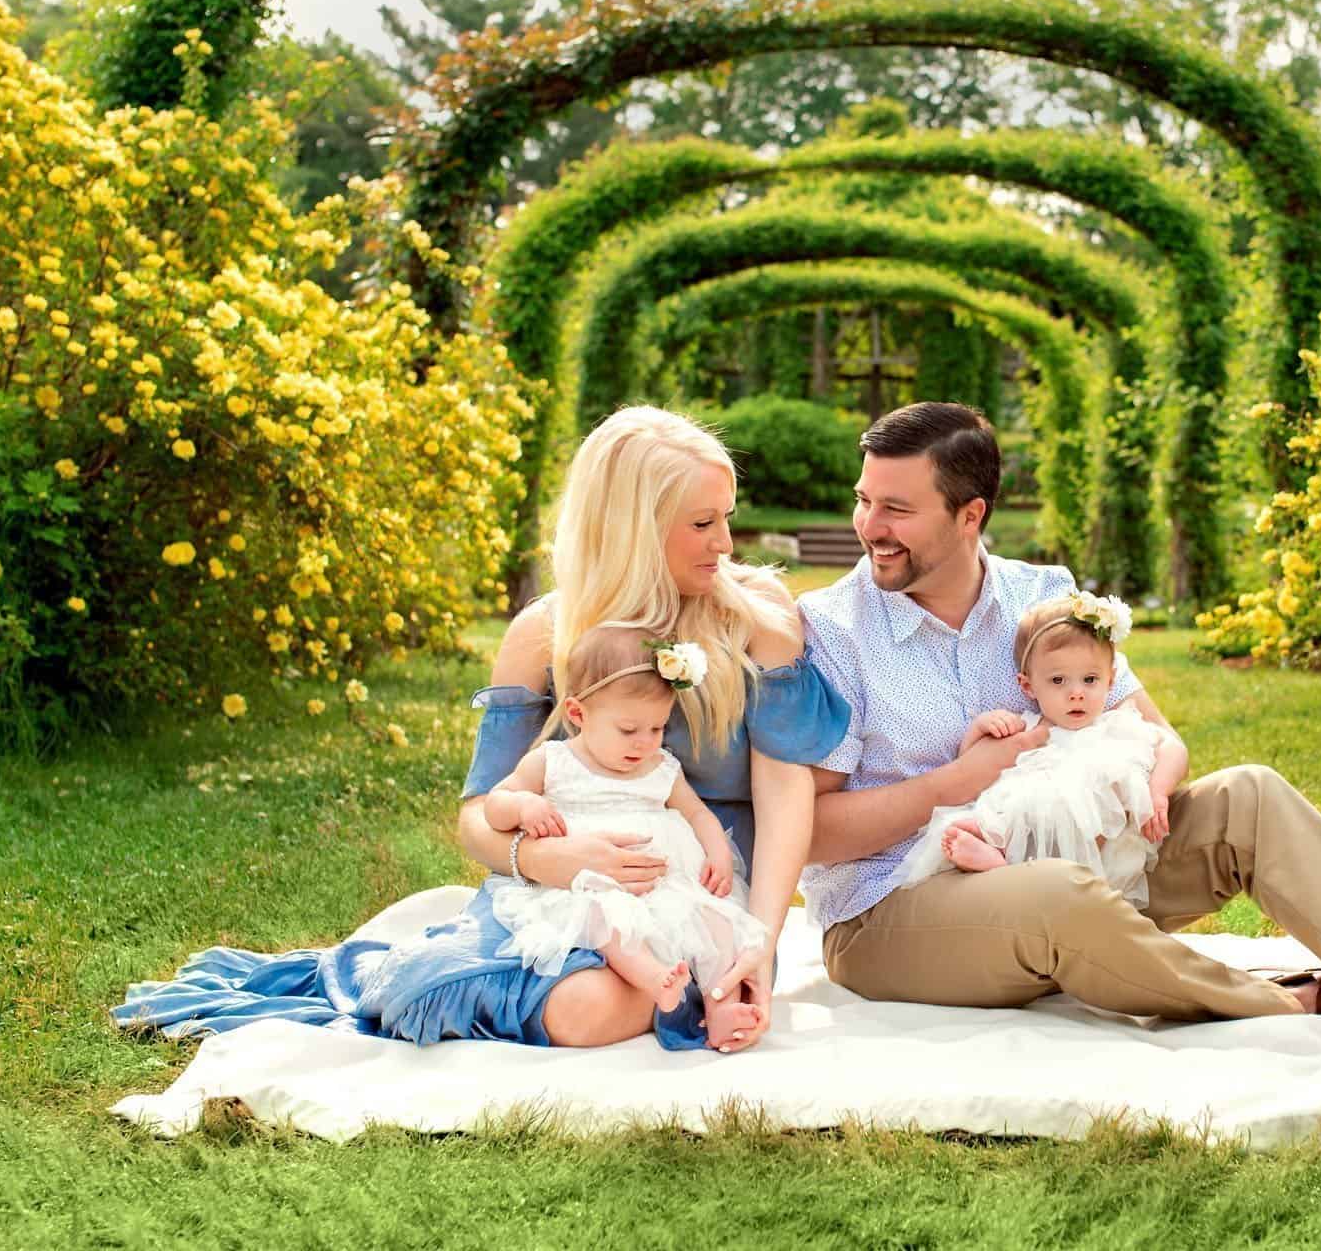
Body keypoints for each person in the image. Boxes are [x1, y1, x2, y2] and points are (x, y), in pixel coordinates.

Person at [798, 401, 1321, 1083]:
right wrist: (955, 781)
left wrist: (1146, 797)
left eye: (895, 507)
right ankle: (1301, 1003)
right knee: (1056, 893)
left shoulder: (1044, 593)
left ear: (970, 513)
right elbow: (811, 831)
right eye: (866, 500)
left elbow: (1160, 737)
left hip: (1091, 854)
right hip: (891, 913)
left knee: (1252, 795)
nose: (870, 523)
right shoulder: (833, 628)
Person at [115, 407, 848, 1056]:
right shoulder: (545, 634)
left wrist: (762, 940)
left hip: (706, 896)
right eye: (701, 523)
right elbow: (477, 817)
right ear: (632, 527)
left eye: (726, 516)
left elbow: (786, 798)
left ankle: (667, 988)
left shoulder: (754, 617)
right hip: (573, 889)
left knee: (644, 998)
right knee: (580, 1006)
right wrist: (553, 859)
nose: (725, 541)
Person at [481, 622, 766, 1047]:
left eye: (657, 729)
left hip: (663, 886)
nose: (645, 743)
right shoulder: (554, 761)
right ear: (578, 715)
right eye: (629, 730)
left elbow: (697, 813)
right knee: (606, 918)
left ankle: (721, 1008)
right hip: (592, 886)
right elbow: (494, 804)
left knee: (717, 924)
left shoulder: (660, 768)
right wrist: (525, 806)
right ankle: (654, 980)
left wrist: (718, 852)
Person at [886, 591, 1186, 911]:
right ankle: (1002, 864)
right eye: (1058, 680)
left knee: (1078, 818)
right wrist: (980, 728)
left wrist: (1157, 793)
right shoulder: (1026, 728)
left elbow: (1172, 748)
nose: (1076, 694)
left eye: (1090, 679)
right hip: (1031, 823)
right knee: (993, 815)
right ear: (1028, 686)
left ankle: (1011, 869)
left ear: (1110, 680)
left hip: (1096, 843)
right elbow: (970, 763)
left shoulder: (1119, 728)